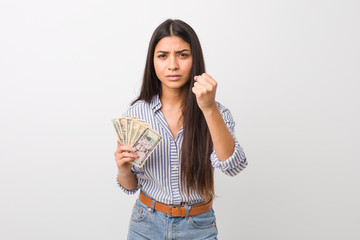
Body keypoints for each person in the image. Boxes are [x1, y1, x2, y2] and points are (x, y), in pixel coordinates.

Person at [114, 19, 247, 239]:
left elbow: (234, 165)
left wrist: (208, 108)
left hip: (198, 226)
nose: (173, 65)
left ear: (195, 59)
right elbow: (130, 186)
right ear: (152, 61)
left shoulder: (216, 112)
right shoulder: (137, 114)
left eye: (183, 54)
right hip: (146, 223)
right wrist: (123, 169)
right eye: (163, 55)